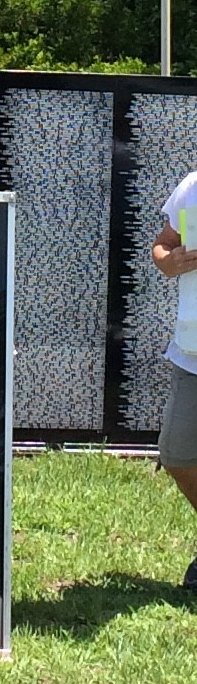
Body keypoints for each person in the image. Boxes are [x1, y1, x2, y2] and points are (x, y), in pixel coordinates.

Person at [149, 170, 197, 584]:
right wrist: (171, 261)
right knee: (178, 453)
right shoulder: (193, 187)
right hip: (192, 351)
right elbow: (163, 246)